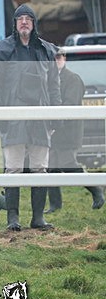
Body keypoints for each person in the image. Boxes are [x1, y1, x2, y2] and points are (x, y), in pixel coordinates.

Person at [0, 4, 61, 231]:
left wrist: (55, 116)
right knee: (14, 169)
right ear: (15, 24)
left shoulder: (46, 51)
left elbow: (54, 86)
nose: (24, 22)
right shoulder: (3, 51)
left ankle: (38, 218)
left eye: (29, 18)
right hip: (13, 118)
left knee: (40, 168)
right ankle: (13, 218)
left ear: (34, 23)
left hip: (41, 118)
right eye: (20, 19)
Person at [46, 47, 105, 212]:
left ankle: (96, 189)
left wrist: (55, 125)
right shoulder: (48, 79)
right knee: (51, 166)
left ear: (64, 59)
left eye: (59, 57)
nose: (56, 60)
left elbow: (70, 106)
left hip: (68, 131)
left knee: (68, 163)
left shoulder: (73, 79)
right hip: (53, 129)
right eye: (53, 58)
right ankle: (55, 205)